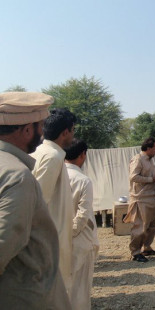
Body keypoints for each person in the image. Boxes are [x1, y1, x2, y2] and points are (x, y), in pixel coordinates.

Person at [0, 92, 71, 309]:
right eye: (40, 126)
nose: (43, 133)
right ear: (27, 129)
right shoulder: (17, 175)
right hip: (25, 294)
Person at [31, 107, 77, 293]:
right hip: (50, 239)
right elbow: (37, 201)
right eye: (73, 130)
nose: (73, 135)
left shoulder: (44, 152)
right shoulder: (52, 156)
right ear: (65, 132)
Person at [65, 139, 99, 310]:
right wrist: (70, 232)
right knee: (80, 290)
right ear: (82, 155)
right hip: (80, 239)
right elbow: (83, 214)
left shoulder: (56, 174)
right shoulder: (83, 180)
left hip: (58, 238)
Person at [123, 137, 155, 262]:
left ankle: (147, 247)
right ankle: (135, 252)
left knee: (153, 225)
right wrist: (150, 180)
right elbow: (133, 176)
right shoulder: (138, 159)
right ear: (148, 148)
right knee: (140, 227)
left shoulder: (150, 160)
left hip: (151, 197)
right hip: (140, 198)